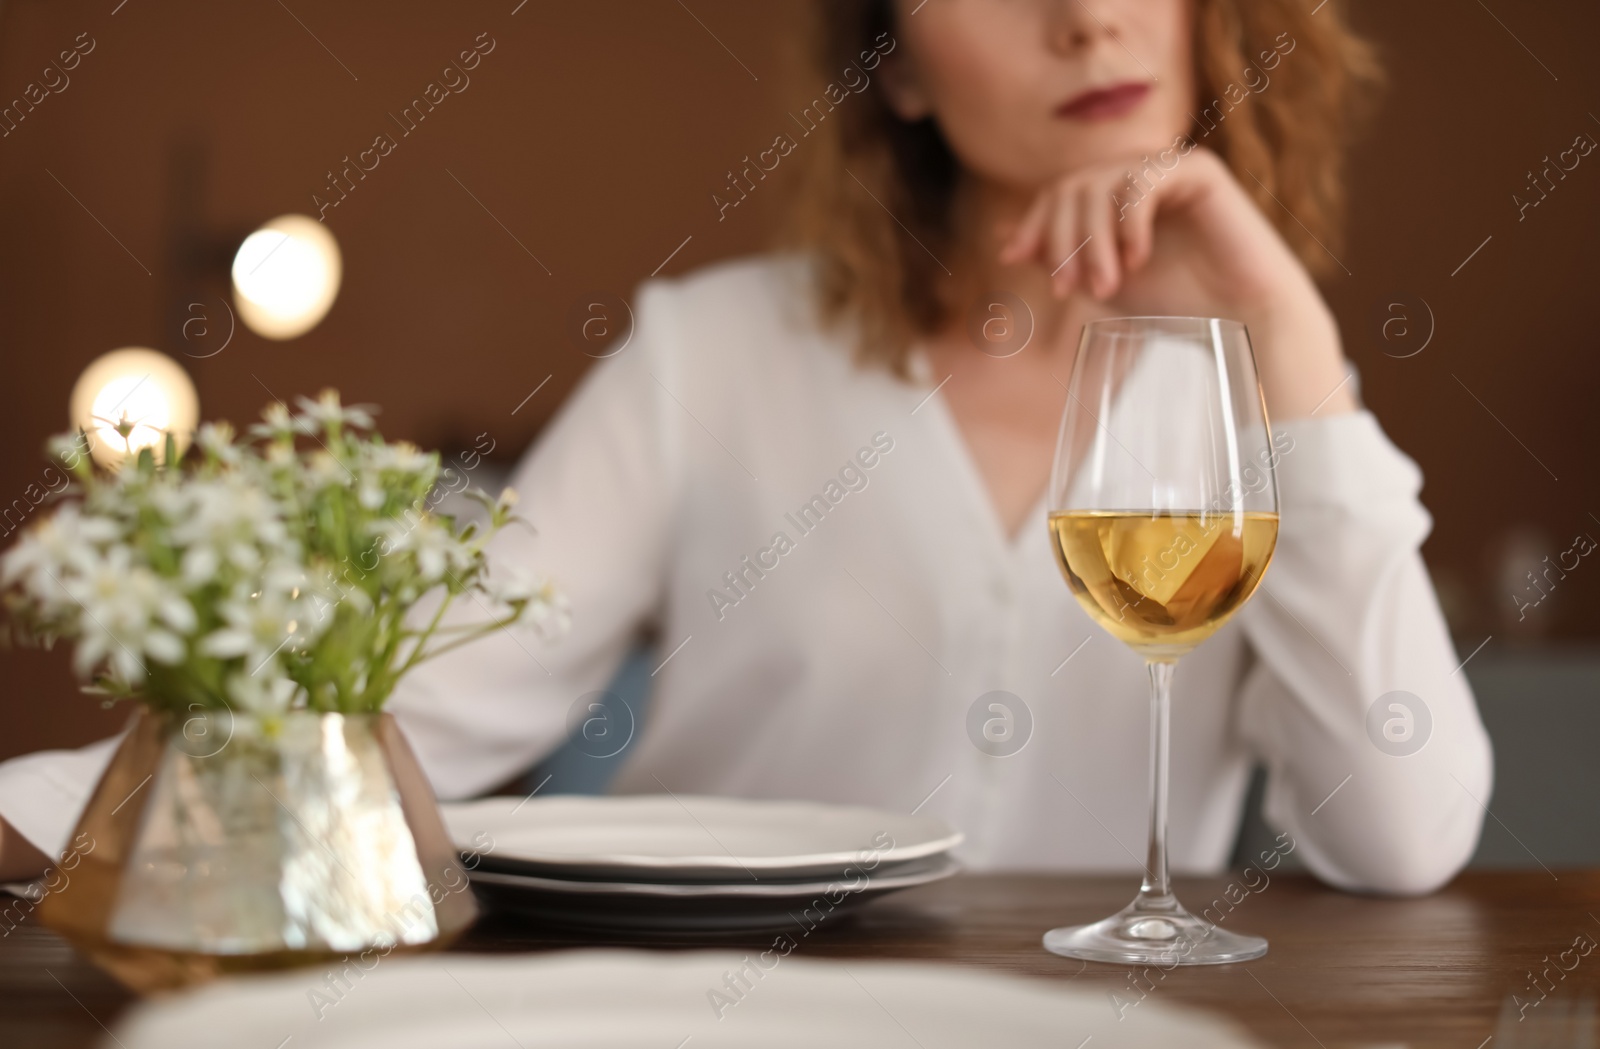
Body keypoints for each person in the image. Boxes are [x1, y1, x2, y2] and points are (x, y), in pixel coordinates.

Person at [0, 0, 1491, 891]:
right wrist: (25, 815)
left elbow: (1403, 835)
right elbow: (411, 713)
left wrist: (1285, 336)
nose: (1087, 16)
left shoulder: (1272, 399)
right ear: (893, 64)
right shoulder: (707, 357)